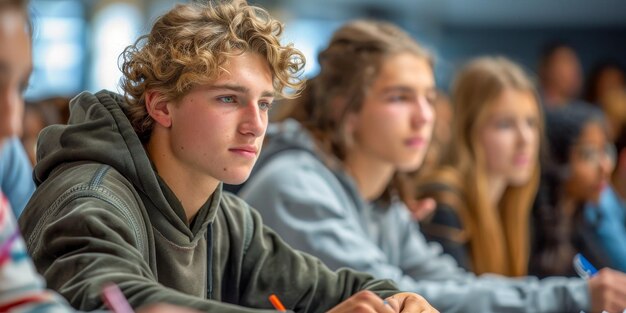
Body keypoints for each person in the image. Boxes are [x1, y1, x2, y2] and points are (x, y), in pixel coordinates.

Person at [18, 2, 436, 313]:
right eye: (228, 99)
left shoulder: (229, 220)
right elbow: (120, 302)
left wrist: (397, 300)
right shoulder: (88, 199)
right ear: (161, 106)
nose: (256, 125)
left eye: (265, 104)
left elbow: (336, 288)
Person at [237, 21, 626, 313]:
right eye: (400, 97)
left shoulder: (380, 201)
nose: (425, 116)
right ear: (344, 108)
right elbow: (398, 295)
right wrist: (572, 296)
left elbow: (446, 283)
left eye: (428, 96)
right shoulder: (294, 185)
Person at [416, 57, 541, 277]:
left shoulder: (509, 199)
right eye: (505, 124)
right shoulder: (443, 200)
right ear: (469, 130)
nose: (525, 139)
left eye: (531, 122)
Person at [530, 104, 619, 277]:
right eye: (589, 155)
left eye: (605, 151)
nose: (605, 167)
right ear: (557, 162)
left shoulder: (581, 225)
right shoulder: (532, 235)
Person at [537, 42, 584, 109]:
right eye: (566, 62)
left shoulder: (588, 112)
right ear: (545, 68)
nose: (575, 71)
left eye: (575, 65)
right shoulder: (531, 103)